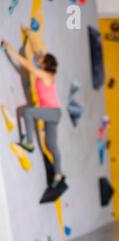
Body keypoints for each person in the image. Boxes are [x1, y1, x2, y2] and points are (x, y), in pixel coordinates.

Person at [2, 30, 64, 188]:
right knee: (51, 144)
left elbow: (27, 64)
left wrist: (10, 50)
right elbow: (38, 52)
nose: (39, 58)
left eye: (41, 59)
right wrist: (30, 37)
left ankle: (29, 143)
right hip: (53, 113)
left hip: (53, 112)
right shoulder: (46, 71)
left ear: (45, 64)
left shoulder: (45, 75)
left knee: (28, 112)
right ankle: (58, 173)